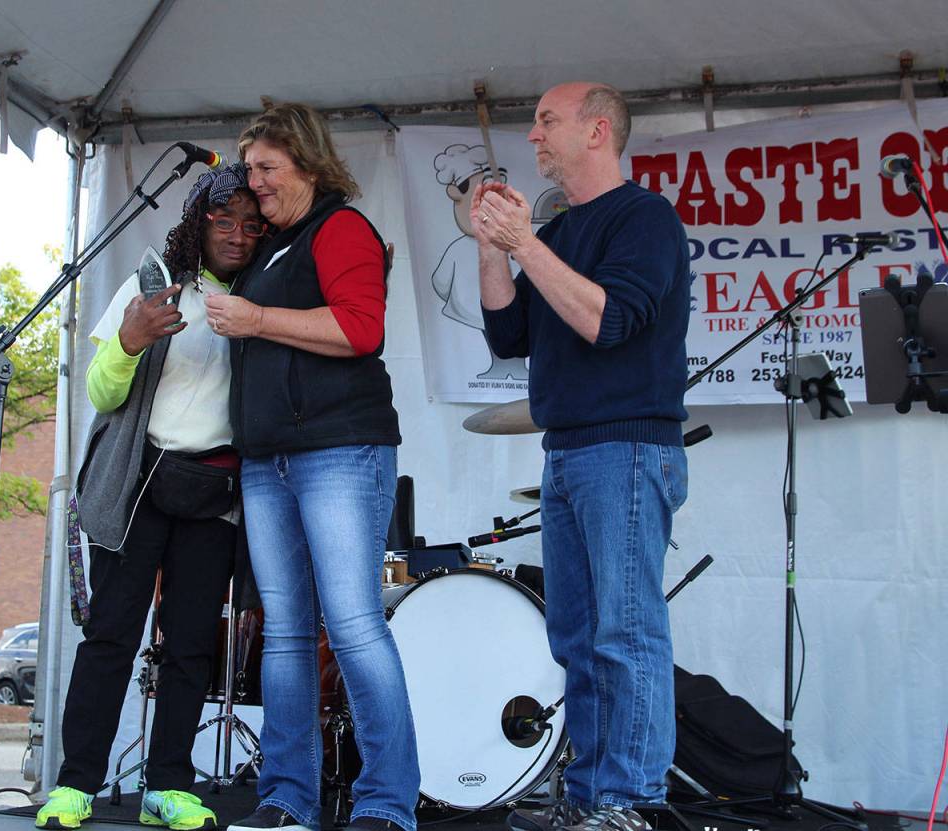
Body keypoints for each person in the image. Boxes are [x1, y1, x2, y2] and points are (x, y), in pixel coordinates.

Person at [473, 83, 690, 831]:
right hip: (566, 450)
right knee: (575, 634)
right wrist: (490, 248)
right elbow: (509, 337)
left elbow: (610, 320)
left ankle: (631, 799)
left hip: (627, 447)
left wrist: (525, 243)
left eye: (546, 121)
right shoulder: (560, 232)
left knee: (624, 630)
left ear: (598, 131)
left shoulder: (645, 219)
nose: (532, 135)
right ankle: (593, 794)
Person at [209, 103, 419, 831]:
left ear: (307, 161)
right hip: (269, 461)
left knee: (354, 625)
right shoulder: (273, 247)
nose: (255, 183)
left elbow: (362, 329)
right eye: (249, 169)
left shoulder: (341, 227)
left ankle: (388, 802)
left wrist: (255, 319)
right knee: (287, 632)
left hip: (338, 450)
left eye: (267, 167)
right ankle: (287, 796)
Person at [36, 163, 264, 831]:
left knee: (192, 642)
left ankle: (168, 783)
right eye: (224, 220)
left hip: (214, 489)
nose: (239, 234)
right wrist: (132, 340)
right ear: (200, 221)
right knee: (111, 634)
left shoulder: (261, 298)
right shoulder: (157, 288)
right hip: (141, 480)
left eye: (252, 225)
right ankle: (76, 783)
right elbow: (103, 395)